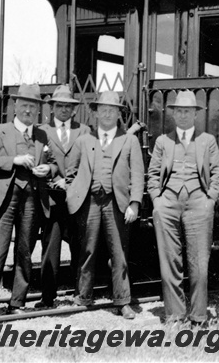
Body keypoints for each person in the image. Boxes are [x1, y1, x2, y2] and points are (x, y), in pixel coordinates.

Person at [0, 83, 55, 319]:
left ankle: (17, 303)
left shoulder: (42, 135)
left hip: (31, 199)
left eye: (33, 106)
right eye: (24, 105)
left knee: (25, 252)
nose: (28, 110)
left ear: (38, 110)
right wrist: (13, 160)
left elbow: (55, 163)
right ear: (15, 106)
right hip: (2, 199)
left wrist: (48, 167)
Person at [66, 91, 143, 320]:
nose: (108, 113)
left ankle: (123, 301)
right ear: (96, 112)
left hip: (116, 203)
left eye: (113, 109)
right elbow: (70, 174)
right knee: (87, 250)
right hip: (90, 202)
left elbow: (138, 175)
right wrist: (75, 197)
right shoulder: (84, 140)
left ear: (119, 113)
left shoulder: (129, 140)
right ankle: (83, 296)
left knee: (118, 252)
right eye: (103, 109)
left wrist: (135, 203)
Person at [147, 90, 219, 325]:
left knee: (199, 263)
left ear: (195, 114)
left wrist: (210, 200)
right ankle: (175, 314)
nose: (182, 115)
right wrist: (157, 201)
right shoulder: (163, 141)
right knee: (169, 261)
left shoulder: (207, 140)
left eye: (187, 111)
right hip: (168, 203)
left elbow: (217, 173)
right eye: (178, 111)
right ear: (173, 113)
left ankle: (199, 315)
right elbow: (153, 175)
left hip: (198, 203)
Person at [35, 84, 90, 308]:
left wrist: (72, 185)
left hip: (77, 198)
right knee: (51, 247)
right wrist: (54, 180)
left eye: (68, 106)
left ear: (74, 109)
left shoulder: (84, 131)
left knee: (79, 246)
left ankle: (80, 295)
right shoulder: (42, 131)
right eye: (59, 106)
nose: (64, 110)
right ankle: (48, 297)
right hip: (52, 198)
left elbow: (88, 163)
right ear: (52, 107)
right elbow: (40, 161)